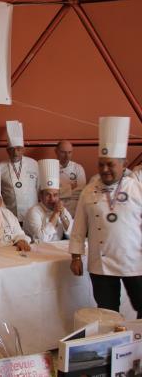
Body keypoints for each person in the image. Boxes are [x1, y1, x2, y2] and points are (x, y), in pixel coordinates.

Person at [70, 116, 142, 319]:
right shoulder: (89, 191)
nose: (104, 170)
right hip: (100, 262)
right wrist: (76, 256)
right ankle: (113, 347)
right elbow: (79, 226)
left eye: (110, 164)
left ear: (124, 164)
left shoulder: (136, 188)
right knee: (107, 312)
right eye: (101, 164)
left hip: (134, 261)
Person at [23, 159, 73, 242]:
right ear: (41, 196)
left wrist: (63, 216)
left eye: (55, 195)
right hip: (36, 251)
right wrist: (55, 214)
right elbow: (41, 240)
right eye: (48, 195)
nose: (52, 199)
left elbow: (73, 235)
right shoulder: (33, 212)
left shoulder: (62, 209)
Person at [0, 120, 38, 222]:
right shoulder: (0, 167)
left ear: (23, 149)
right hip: (10, 216)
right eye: (12, 149)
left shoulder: (33, 164)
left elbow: (39, 188)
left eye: (19, 149)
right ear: (7, 150)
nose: (15, 153)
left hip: (32, 215)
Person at [56, 140, 86, 217]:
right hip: (56, 212)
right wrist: (70, 188)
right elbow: (49, 194)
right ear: (56, 151)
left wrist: (60, 191)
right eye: (63, 152)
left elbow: (81, 192)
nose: (67, 156)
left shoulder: (78, 168)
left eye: (69, 152)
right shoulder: (51, 167)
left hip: (74, 212)